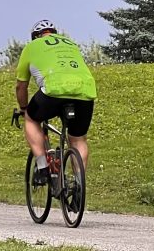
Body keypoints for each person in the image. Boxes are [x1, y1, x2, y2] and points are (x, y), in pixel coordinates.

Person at [13, 19, 97, 187]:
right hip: (85, 91)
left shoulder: (31, 47)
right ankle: (79, 186)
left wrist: (23, 109)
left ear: (35, 36)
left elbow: (21, 86)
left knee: (31, 119)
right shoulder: (71, 44)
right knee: (78, 139)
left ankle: (42, 167)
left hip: (54, 91)